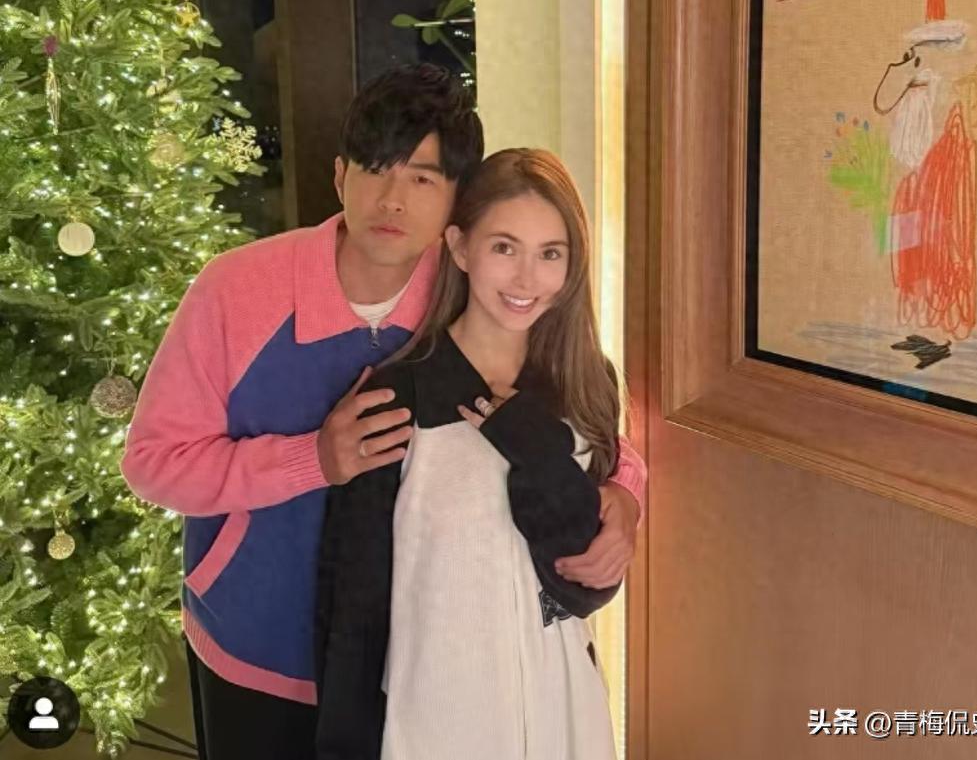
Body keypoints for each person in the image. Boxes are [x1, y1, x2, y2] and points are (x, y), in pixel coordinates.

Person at [120, 64, 646, 760]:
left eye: (423, 178)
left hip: (407, 670)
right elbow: (154, 464)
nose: (392, 200)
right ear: (340, 176)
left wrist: (624, 494)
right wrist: (312, 459)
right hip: (259, 648)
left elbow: (574, 401)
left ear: (457, 203)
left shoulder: (474, 294)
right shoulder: (236, 290)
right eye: (374, 169)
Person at [316, 148, 630, 760]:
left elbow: (583, 586)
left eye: (551, 254)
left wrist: (539, 450)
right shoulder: (398, 397)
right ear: (460, 248)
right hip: (436, 718)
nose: (526, 280)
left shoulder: (587, 385)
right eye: (504, 248)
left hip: (562, 706)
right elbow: (353, 605)